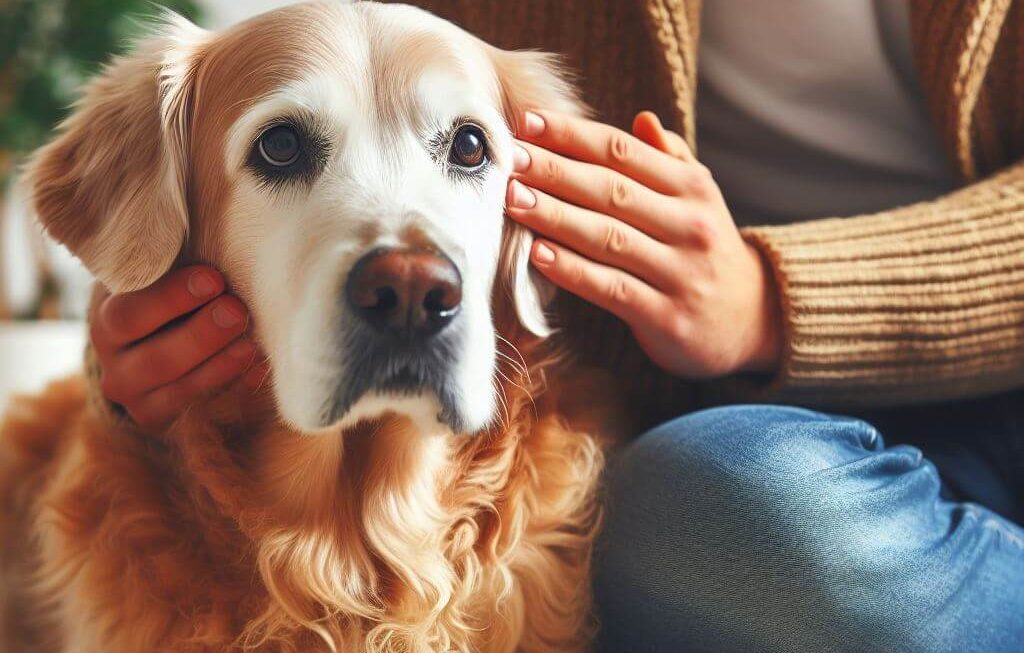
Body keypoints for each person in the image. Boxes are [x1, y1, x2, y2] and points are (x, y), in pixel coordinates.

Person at [87, 1, 1024, 651]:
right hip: (706, 431)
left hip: (994, 400)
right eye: (282, 146)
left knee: (729, 512)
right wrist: (135, 309)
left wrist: (774, 300)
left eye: (465, 149)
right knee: (690, 510)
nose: (409, 277)